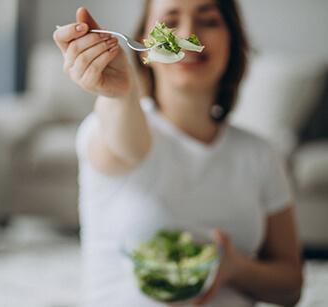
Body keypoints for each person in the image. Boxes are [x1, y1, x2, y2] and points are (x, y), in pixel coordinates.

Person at [53, 0, 303, 306]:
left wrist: (235, 267)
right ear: (144, 47)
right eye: (169, 23)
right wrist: (121, 96)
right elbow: (128, 145)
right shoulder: (109, 126)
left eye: (209, 21)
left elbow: (291, 286)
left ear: (233, 41)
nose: (187, 33)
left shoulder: (261, 154)